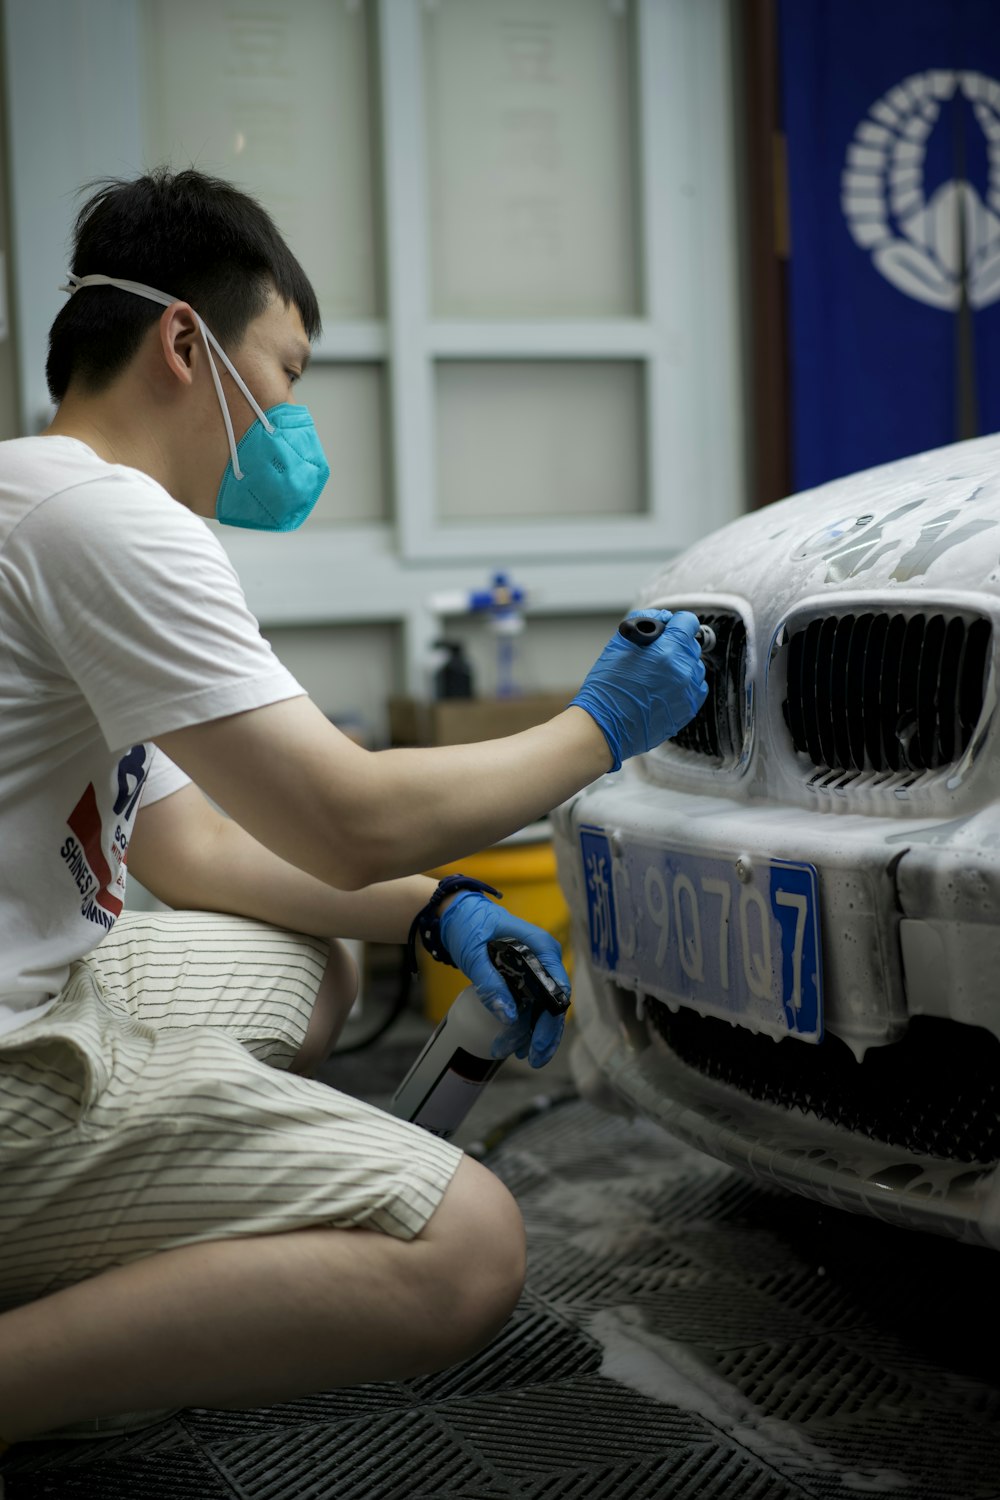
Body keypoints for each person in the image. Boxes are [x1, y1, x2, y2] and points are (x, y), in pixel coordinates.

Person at [0, 168, 707, 1448]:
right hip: (10, 1060)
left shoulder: (35, 498)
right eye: (283, 371)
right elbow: (347, 819)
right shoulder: (105, 519)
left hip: (44, 989)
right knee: (466, 1247)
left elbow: (198, 845)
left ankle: (123, 1233)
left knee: (307, 953)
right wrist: (596, 729)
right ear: (181, 343)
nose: (290, 421)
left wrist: (434, 910)